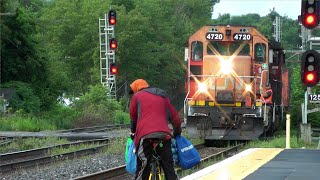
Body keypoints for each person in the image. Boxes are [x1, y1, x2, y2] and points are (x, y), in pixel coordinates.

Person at [129, 79, 182, 180]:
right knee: (169, 168)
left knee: (142, 167)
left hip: (145, 136)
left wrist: (133, 133)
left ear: (137, 88)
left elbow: (133, 119)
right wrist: (177, 132)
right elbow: (175, 118)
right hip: (164, 136)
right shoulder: (162, 97)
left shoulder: (136, 97)